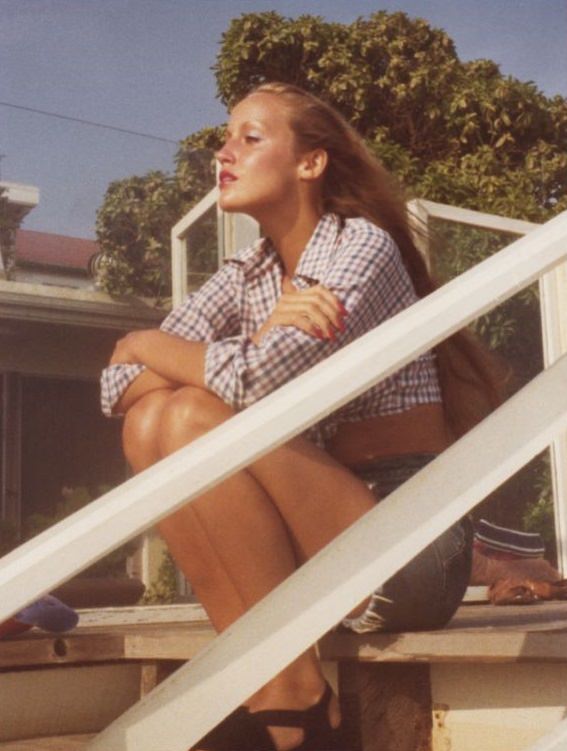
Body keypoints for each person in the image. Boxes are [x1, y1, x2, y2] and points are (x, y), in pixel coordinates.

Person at [100, 82, 506, 751]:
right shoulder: (246, 274)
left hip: (408, 547)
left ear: (309, 163)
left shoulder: (360, 249)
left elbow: (251, 380)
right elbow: (115, 385)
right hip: (313, 532)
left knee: (188, 414)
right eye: (224, 138)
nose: (223, 153)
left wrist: (151, 345)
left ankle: (290, 702)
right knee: (150, 421)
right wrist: (240, 343)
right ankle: (282, 693)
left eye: (249, 138)